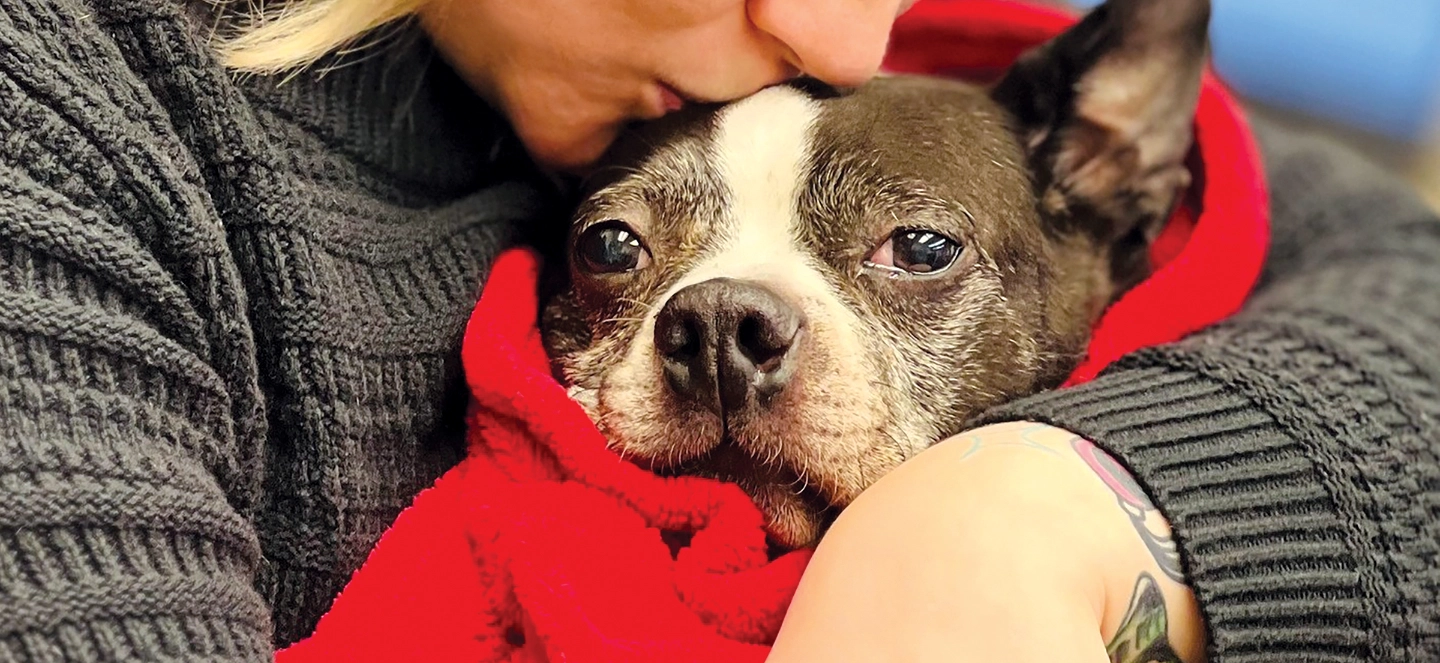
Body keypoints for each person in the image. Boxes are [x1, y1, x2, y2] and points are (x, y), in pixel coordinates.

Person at [0, 0, 1434, 660]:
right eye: (623, 250)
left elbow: (1405, 269)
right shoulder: (68, 134)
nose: (837, 35)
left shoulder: (938, 74)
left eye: (915, 253)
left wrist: (1051, 505)